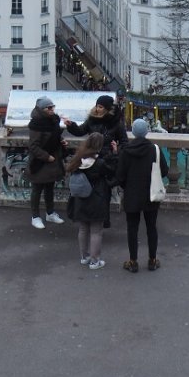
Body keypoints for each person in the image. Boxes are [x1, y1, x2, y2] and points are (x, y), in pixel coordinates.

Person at [116, 117, 169, 273]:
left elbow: (120, 176)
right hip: (151, 194)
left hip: (132, 195)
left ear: (132, 132)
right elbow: (164, 171)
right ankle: (152, 260)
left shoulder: (125, 151)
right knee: (151, 227)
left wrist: (128, 186)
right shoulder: (155, 149)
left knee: (132, 229)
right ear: (147, 132)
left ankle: (133, 261)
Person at [65, 132, 116, 270]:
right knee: (96, 231)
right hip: (96, 198)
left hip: (80, 199)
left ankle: (84, 256)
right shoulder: (99, 163)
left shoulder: (77, 160)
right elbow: (111, 172)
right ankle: (95, 261)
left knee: (83, 229)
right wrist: (114, 153)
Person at [26, 97, 66, 229]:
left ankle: (50, 213)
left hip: (52, 160)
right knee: (37, 190)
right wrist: (46, 157)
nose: (52, 110)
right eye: (49, 108)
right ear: (42, 109)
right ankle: (35, 216)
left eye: (53, 107)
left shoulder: (53, 120)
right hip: (41, 161)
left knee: (49, 188)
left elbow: (54, 136)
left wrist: (61, 141)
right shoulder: (37, 124)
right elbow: (33, 146)